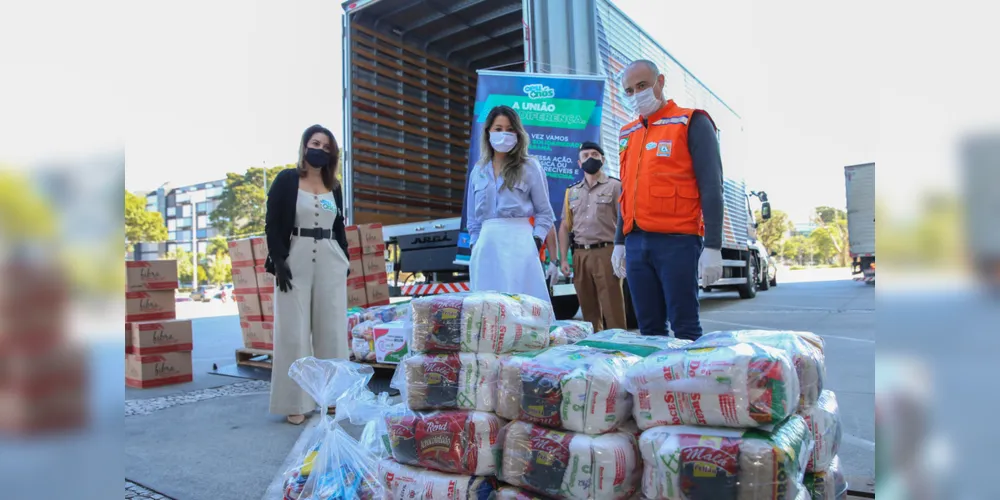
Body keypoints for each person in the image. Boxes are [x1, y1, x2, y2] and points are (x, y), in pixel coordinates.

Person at [612, 59, 724, 340]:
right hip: (637, 244)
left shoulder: (691, 122)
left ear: (660, 82)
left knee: (685, 327)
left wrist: (713, 245)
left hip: (678, 242)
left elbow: (712, 186)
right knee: (649, 330)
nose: (636, 94)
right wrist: (619, 242)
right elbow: (628, 190)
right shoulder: (628, 133)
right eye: (629, 90)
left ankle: (690, 384)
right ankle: (657, 383)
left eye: (642, 86)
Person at [264, 124, 351, 424]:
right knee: (293, 332)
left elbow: (338, 224)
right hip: (296, 257)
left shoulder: (334, 187)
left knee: (332, 331)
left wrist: (346, 257)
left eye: (327, 147)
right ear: (304, 146)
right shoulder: (287, 180)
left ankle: (331, 398)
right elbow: (272, 223)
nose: (320, 150)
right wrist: (278, 260)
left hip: (330, 256)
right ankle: (295, 402)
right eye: (316, 143)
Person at [466, 105, 555, 302]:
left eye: (509, 129)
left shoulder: (530, 166)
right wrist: (476, 244)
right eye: (498, 129)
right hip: (486, 247)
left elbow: (545, 213)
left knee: (524, 304)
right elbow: (473, 219)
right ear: (488, 132)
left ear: (518, 133)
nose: (503, 134)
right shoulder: (478, 171)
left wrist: (535, 241)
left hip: (520, 244)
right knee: (486, 306)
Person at [558, 141, 627, 332]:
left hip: (607, 252)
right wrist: (564, 258)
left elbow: (625, 221)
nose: (590, 158)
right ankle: (595, 349)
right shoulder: (571, 192)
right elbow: (564, 226)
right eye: (585, 155)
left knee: (612, 306)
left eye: (595, 155)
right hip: (580, 254)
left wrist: (623, 252)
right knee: (588, 308)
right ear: (579, 163)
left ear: (603, 159)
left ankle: (619, 349)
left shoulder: (615, 187)